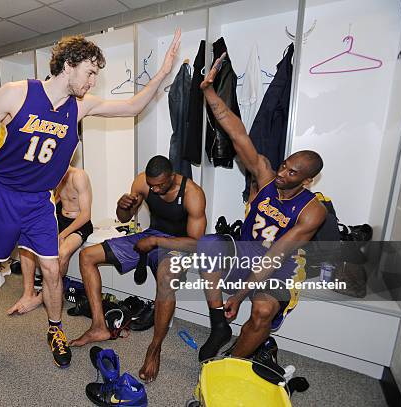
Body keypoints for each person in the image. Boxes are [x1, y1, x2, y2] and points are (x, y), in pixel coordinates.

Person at [0, 30, 182, 371]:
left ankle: (55, 329)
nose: (94, 80)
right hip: (1, 193)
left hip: (39, 202)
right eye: (91, 72)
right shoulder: (17, 94)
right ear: (68, 66)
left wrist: (163, 72)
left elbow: (133, 105)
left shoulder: (81, 107)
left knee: (52, 267)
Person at [138, 54, 327, 382]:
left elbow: (277, 256)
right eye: (284, 165)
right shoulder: (267, 176)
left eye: (292, 172)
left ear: (307, 180)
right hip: (246, 248)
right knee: (208, 244)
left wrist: (239, 296)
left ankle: (230, 365)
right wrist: (210, 92)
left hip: (278, 265)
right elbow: (237, 134)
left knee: (262, 312)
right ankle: (219, 325)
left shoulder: (312, 211)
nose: (282, 173)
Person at [70, 155, 206, 349]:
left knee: (166, 276)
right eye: (152, 186)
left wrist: (156, 241)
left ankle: (155, 347)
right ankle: (99, 326)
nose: (155, 190)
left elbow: (195, 244)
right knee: (87, 256)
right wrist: (122, 206)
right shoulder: (143, 181)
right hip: (151, 236)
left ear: (172, 177)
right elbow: (124, 218)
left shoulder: (193, 193)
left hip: (179, 244)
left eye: (159, 186)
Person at [6, 164, 93, 314]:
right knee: (26, 243)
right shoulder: (55, 174)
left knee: (62, 252)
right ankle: (28, 293)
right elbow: (55, 199)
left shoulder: (78, 176)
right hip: (60, 218)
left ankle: (42, 297)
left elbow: (86, 215)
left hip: (79, 223)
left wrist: (63, 234)